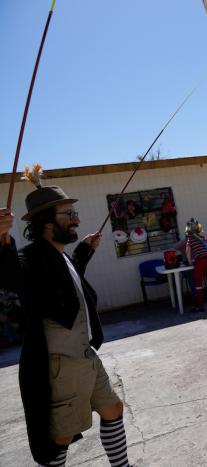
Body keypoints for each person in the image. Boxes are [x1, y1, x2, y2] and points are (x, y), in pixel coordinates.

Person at [0, 165, 131, 467]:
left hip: (86, 355)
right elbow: (10, 276)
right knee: (60, 437)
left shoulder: (59, 256)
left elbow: (63, 286)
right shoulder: (29, 259)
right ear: (47, 222)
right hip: (62, 364)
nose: (76, 220)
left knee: (113, 408)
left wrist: (84, 251)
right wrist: (1, 241)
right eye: (68, 216)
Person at [185, 218, 207, 312]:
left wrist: (190, 262)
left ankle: (200, 305)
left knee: (198, 283)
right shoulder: (203, 238)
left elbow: (187, 251)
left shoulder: (190, 240)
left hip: (199, 261)